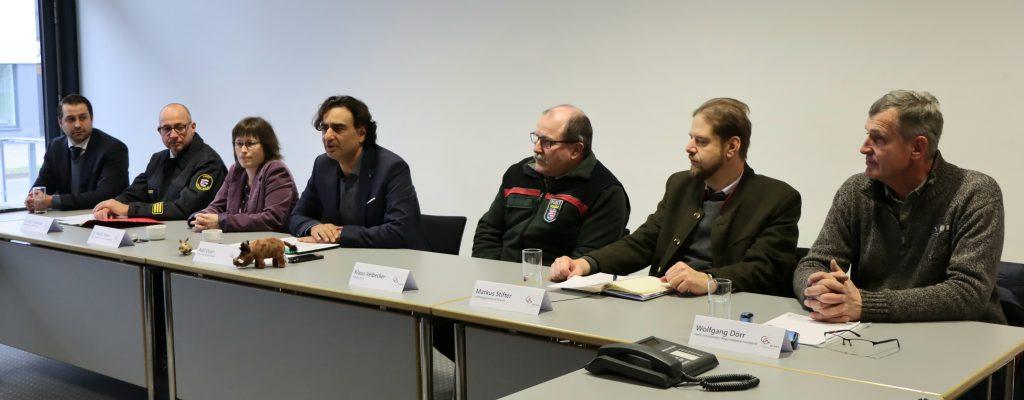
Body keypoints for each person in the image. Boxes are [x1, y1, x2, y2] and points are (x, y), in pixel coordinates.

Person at [549, 98, 801, 297]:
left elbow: (765, 270)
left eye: (701, 141)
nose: (689, 147)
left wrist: (710, 280)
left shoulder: (777, 199)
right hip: (665, 302)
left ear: (732, 147)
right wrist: (585, 264)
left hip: (726, 314)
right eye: (691, 137)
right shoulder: (681, 184)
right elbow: (644, 241)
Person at [795, 90, 1005, 324]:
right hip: (872, 336)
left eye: (879, 139)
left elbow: (968, 294)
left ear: (917, 148)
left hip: (963, 341)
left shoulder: (975, 193)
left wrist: (866, 305)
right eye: (867, 135)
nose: (863, 148)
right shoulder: (856, 190)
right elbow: (814, 263)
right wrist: (817, 289)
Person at [472, 104, 630, 265]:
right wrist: (492, 272)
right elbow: (489, 230)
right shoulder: (518, 173)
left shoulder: (605, 192)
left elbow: (587, 260)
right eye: (537, 137)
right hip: (501, 280)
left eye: (548, 142)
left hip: (556, 285)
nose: (537, 148)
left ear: (576, 150)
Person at [287, 95, 424, 249]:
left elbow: (399, 231)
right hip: (341, 259)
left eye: (338, 128)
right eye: (325, 128)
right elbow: (296, 216)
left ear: (361, 134)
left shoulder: (392, 168)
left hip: (390, 263)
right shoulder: (323, 165)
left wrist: (340, 234)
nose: (327, 136)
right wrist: (313, 227)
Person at [93, 103, 227, 220]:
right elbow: (134, 193)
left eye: (180, 127)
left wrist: (128, 210)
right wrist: (112, 205)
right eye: (167, 129)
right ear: (160, 131)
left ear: (192, 127)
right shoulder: (157, 159)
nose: (173, 135)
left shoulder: (209, 162)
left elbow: (184, 208)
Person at [189, 116, 298, 232]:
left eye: (250, 144)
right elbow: (217, 206)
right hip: (243, 240)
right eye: (239, 144)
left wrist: (221, 222)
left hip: (273, 243)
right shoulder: (236, 171)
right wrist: (200, 217)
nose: (243, 150)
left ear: (267, 146)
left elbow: (272, 219)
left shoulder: (276, 170)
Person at [27, 94, 128, 211]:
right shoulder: (55, 146)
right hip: (65, 218)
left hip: (101, 218)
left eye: (83, 118)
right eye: (71, 119)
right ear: (60, 122)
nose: (78, 125)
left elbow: (105, 195)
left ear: (92, 118)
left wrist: (52, 201)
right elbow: (42, 184)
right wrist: (33, 197)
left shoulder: (114, 149)